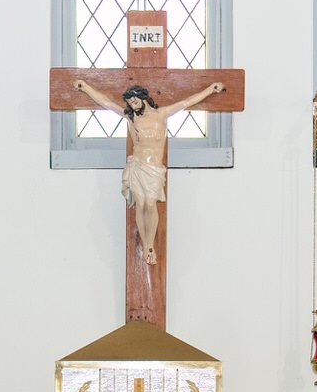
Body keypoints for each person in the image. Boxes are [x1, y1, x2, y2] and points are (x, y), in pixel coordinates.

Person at [71, 78, 227, 270]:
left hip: (154, 168)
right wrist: (86, 87)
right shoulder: (131, 117)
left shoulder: (162, 114)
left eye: (135, 101)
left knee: (151, 204)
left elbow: (188, 101)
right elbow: (107, 103)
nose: (133, 105)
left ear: (143, 98)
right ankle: (147, 247)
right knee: (141, 204)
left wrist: (211, 89)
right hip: (137, 165)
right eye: (130, 103)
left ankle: (150, 243)